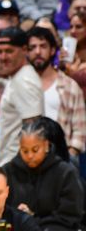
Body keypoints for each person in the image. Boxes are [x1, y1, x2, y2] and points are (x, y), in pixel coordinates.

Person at [4, 119, 84, 231]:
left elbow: (71, 213)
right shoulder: (8, 171)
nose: (30, 156)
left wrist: (35, 218)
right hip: (19, 229)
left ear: (47, 145)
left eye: (35, 150)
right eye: (24, 150)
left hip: (59, 228)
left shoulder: (65, 171)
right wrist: (19, 216)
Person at [27, 26, 86, 158]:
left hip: (62, 157)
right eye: (32, 47)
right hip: (27, 157)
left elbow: (80, 130)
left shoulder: (70, 86)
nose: (37, 52)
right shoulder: (21, 86)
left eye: (43, 46)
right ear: (27, 52)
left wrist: (68, 157)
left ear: (53, 50)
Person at [0, 28, 44, 165]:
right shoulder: (17, 77)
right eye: (0, 52)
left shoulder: (24, 80)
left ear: (24, 50)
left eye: (9, 51)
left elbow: (34, 131)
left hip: (20, 168)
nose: (3, 57)